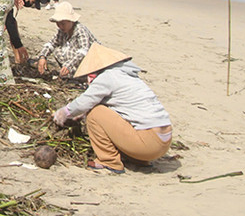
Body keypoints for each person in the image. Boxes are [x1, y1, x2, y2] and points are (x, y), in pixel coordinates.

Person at [52, 43, 172, 174]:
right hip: (163, 142)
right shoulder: (128, 77)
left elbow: (83, 103)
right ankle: (139, 160)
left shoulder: (108, 76)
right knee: (103, 112)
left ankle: (109, 161)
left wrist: (64, 112)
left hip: (148, 143)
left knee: (95, 113)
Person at [37, 1, 99, 77]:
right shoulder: (62, 31)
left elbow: (84, 51)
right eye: (58, 23)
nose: (60, 26)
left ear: (71, 21)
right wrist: (43, 56)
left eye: (63, 24)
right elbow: (52, 43)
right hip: (72, 62)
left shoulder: (80, 30)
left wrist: (68, 65)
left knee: (71, 53)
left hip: (90, 63)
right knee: (57, 51)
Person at [4, 0, 45, 64]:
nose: (30, 5)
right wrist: (19, 45)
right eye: (32, 2)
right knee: (11, 24)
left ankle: (18, 58)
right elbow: (9, 20)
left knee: (12, 24)